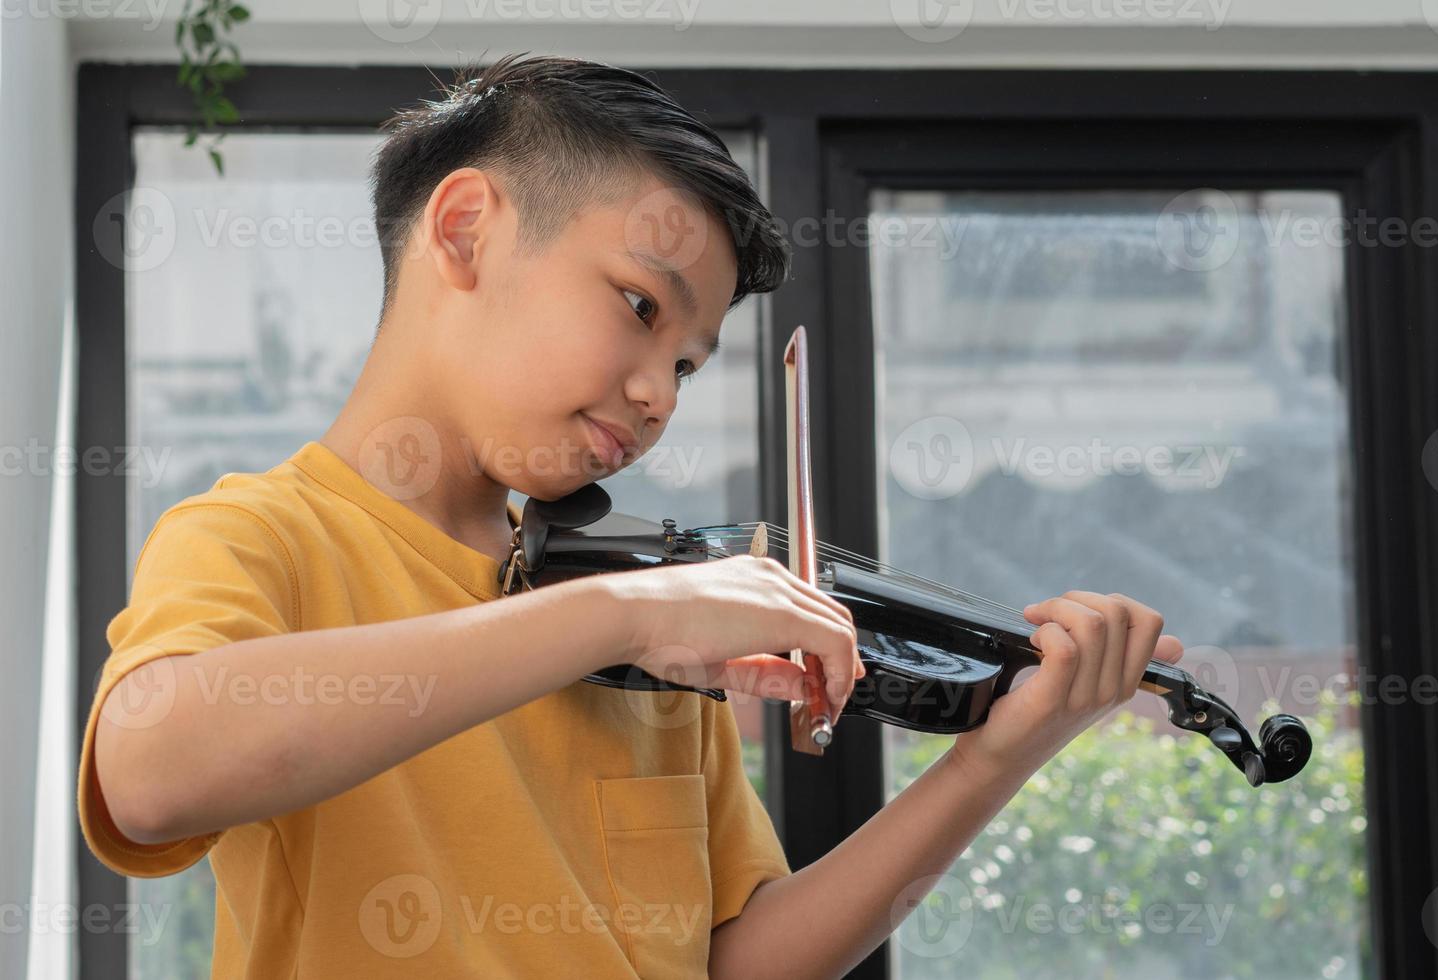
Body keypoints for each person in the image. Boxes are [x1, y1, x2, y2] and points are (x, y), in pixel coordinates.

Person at [79, 53, 1185, 979]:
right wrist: (622, 616)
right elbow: (152, 766)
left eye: (688, 364)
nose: (659, 392)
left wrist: (995, 758)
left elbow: (740, 959)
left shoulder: (653, 612)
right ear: (464, 232)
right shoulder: (266, 536)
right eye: (641, 306)